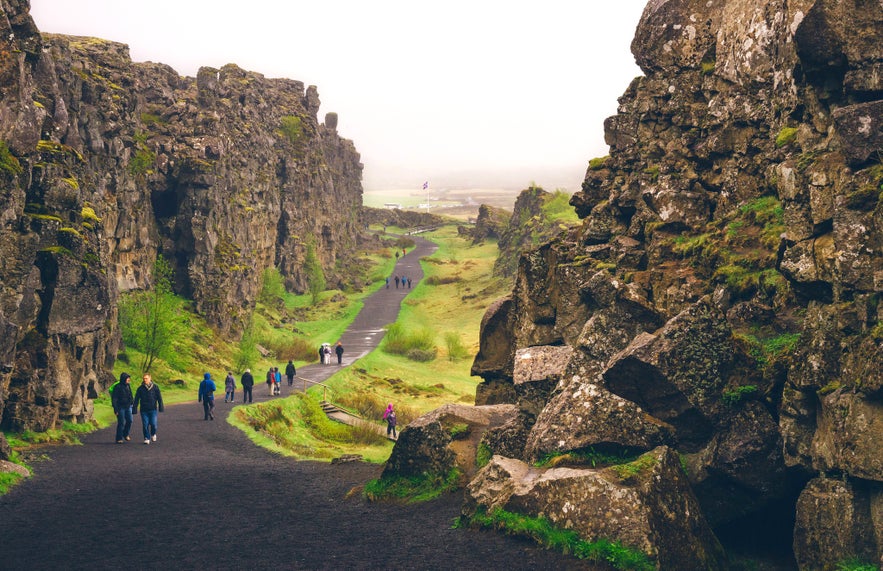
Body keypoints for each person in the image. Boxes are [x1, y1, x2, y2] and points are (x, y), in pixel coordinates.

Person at [133, 373, 163, 444]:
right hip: (144, 410)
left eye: (146, 378)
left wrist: (161, 407)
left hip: (153, 409)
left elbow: (159, 397)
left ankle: (153, 434)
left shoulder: (155, 387)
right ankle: (146, 438)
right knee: (145, 424)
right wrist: (134, 408)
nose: (145, 380)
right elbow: (136, 399)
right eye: (144, 378)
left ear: (150, 379)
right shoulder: (140, 388)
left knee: (153, 424)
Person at [112, 372, 134, 443]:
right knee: (121, 422)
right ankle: (119, 438)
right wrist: (115, 409)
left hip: (128, 406)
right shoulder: (117, 387)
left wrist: (132, 402)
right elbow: (114, 399)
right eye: (127, 378)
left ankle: (125, 433)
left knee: (130, 420)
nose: (129, 379)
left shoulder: (128, 386)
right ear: (124, 378)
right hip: (120, 407)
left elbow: (130, 394)